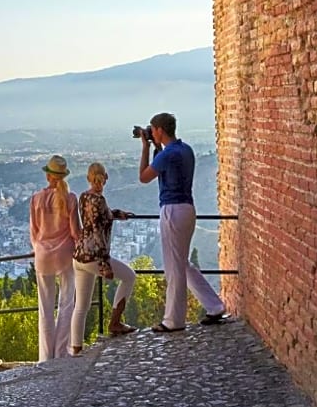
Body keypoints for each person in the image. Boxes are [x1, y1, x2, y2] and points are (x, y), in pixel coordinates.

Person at [137, 112, 226, 332]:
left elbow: (144, 177)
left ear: (159, 130)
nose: (151, 133)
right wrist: (156, 147)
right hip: (188, 208)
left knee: (174, 268)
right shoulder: (185, 150)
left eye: (152, 130)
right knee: (183, 264)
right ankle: (215, 306)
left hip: (172, 210)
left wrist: (146, 147)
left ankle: (173, 321)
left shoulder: (167, 155)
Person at [70, 162, 137, 354]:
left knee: (81, 306)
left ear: (88, 178)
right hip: (94, 257)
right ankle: (115, 322)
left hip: (79, 256)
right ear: (105, 178)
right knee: (129, 276)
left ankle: (76, 349)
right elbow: (99, 231)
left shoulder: (84, 196)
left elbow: (94, 220)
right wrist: (105, 263)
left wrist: (116, 214)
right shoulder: (99, 200)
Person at [29, 154, 80, 362]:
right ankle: (61, 353)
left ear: (48, 176)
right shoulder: (70, 198)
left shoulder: (36, 199)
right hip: (65, 255)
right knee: (67, 303)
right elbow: (75, 231)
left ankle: (45, 357)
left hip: (43, 256)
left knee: (45, 308)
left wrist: (40, 247)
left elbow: (34, 232)